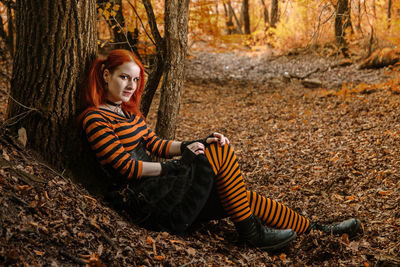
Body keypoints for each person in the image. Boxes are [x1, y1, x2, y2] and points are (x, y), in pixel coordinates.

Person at [80, 49, 361, 251]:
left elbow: (156, 145)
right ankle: (252, 234)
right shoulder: (95, 118)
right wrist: (176, 166)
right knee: (222, 161)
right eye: (123, 78)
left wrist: (192, 144)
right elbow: (126, 167)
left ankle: (317, 230)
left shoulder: (129, 114)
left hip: (162, 187)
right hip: (146, 201)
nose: (130, 86)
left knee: (240, 194)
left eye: (135, 80)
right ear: (106, 75)